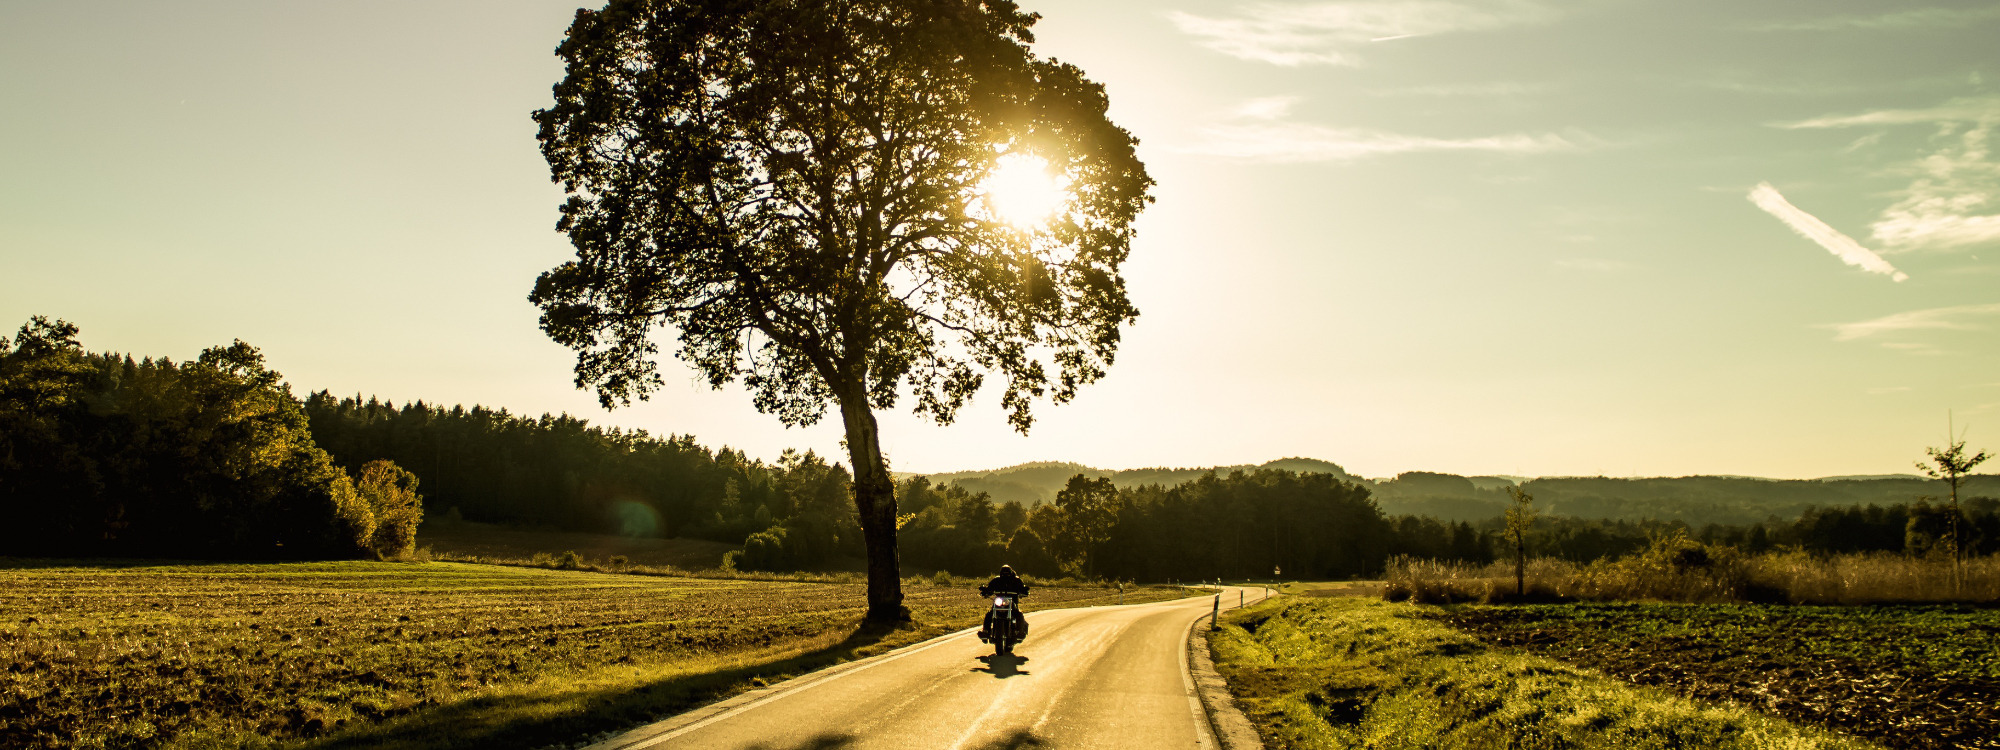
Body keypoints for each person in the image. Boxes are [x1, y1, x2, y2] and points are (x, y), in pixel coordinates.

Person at [978, 564, 1030, 643]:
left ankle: (1019, 632)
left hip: (1012, 602)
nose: (1005, 575)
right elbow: (990, 588)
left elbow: (1023, 588)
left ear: (1010, 572)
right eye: (1003, 573)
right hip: (998, 602)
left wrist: (1024, 591)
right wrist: (985, 591)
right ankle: (986, 631)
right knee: (989, 614)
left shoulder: (1016, 580)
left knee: (1019, 614)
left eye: (1007, 573)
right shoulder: (996, 580)